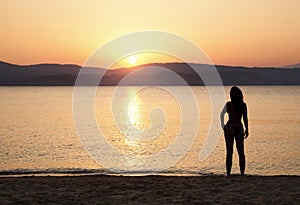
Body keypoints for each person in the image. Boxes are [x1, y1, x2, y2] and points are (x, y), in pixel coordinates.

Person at [220, 86, 249, 176]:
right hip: (238, 127)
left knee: (230, 152)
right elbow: (245, 119)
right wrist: (247, 129)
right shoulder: (243, 105)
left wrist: (223, 126)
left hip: (230, 127)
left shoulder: (229, 104)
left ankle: (228, 174)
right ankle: (242, 173)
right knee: (241, 152)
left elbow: (221, 115)